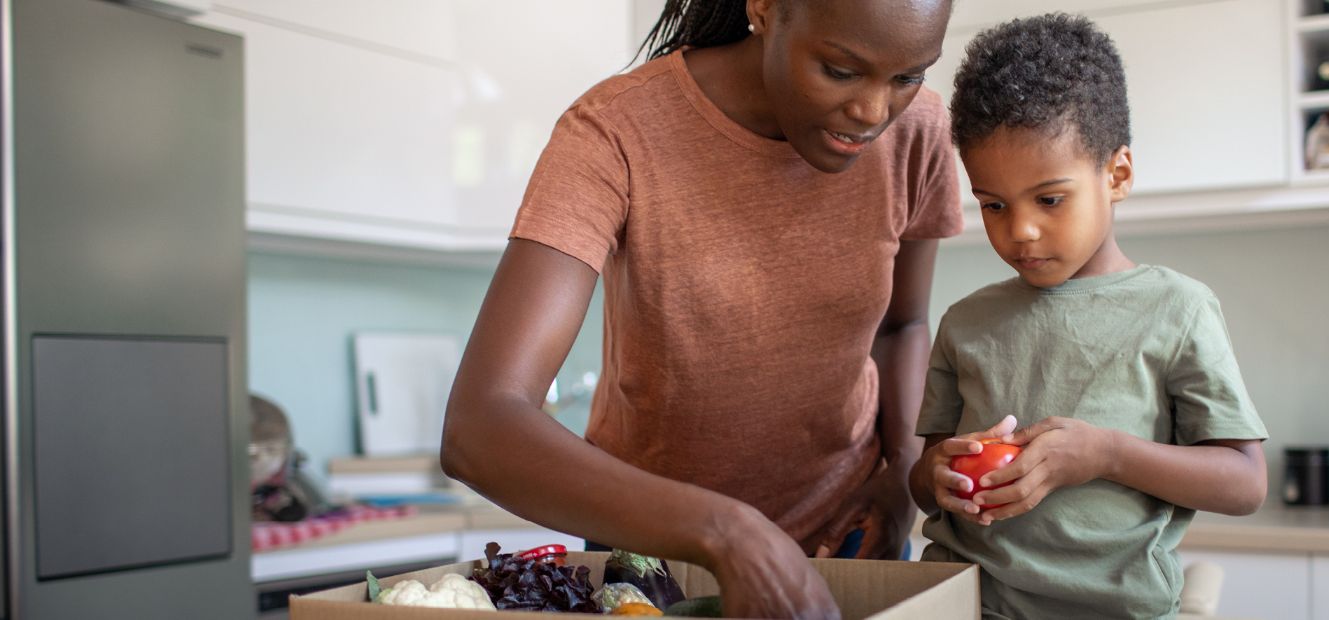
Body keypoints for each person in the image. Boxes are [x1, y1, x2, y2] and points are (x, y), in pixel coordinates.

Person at [440, 0, 961, 617]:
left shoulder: (919, 130)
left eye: (907, 77)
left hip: (844, 537)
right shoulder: (615, 131)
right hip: (649, 561)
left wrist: (901, 472)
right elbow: (481, 426)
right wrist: (729, 534)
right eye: (840, 70)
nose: (874, 113)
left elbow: (902, 325)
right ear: (764, 8)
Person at [907, 14, 1270, 619]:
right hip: (968, 604)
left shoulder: (1177, 308)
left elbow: (1244, 483)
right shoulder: (966, 322)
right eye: (992, 204)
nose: (1019, 230)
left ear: (1117, 175)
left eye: (1050, 199)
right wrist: (938, 474)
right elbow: (925, 483)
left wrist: (1107, 454)